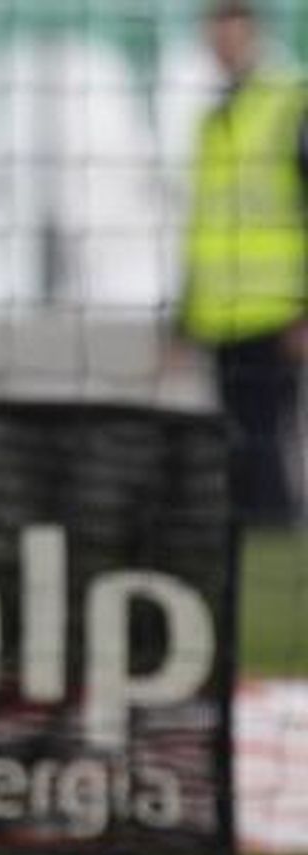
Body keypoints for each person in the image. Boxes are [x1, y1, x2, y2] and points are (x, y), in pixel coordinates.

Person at [175, 0, 307, 526]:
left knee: (265, 444)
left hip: (275, 313)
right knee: (233, 448)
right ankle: (250, 546)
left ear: (255, 31)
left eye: (233, 24)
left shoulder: (290, 104)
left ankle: (274, 546)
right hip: (220, 315)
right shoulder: (212, 118)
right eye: (215, 25)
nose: (222, 38)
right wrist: (183, 319)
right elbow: (203, 224)